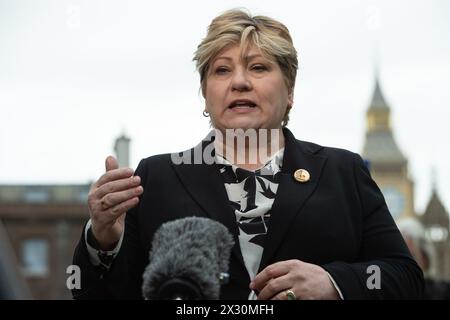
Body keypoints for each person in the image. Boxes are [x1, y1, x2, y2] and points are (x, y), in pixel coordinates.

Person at [72, 9, 424, 300]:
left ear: (289, 91)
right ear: (206, 94)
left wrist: (334, 284)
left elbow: (407, 278)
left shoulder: (343, 171)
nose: (239, 82)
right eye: (222, 70)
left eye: (258, 67)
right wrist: (103, 240)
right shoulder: (154, 178)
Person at [397, 218, 450, 299]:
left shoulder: (443, 293)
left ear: (425, 259)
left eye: (412, 256)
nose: (404, 264)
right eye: (399, 257)